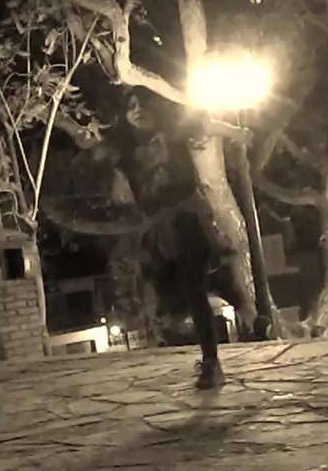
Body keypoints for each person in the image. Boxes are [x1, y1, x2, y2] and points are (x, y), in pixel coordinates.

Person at [94, 89, 228, 390]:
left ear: (157, 109)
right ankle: (197, 343)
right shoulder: (128, 152)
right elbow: (99, 153)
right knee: (168, 296)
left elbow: (184, 184)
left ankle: (211, 363)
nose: (138, 109)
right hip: (158, 232)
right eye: (131, 106)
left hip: (188, 222)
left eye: (143, 104)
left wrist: (155, 206)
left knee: (195, 290)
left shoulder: (172, 140)